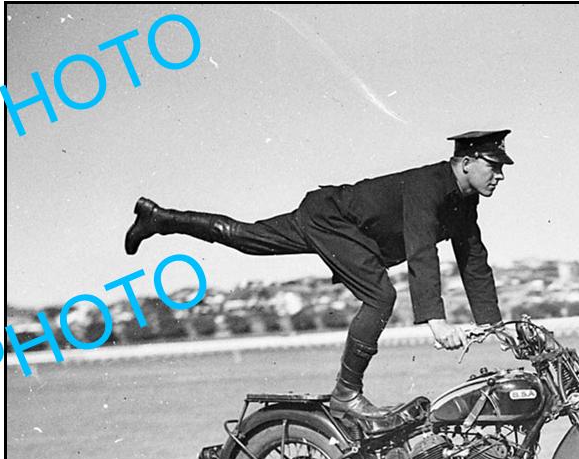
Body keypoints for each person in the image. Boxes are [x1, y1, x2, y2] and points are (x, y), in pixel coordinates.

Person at [123, 130, 513, 422]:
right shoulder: (430, 186)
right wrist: (436, 321)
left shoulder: (463, 202)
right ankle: (346, 393)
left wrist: (496, 325)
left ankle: (160, 218)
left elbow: (473, 258)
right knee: (380, 296)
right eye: (494, 167)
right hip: (332, 219)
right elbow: (421, 250)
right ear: (466, 162)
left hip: (333, 219)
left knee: (245, 238)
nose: (500, 176)